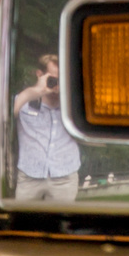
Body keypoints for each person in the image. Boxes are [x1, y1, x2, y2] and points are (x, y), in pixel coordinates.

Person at [15, 52, 81, 201]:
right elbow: (4, 116)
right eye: (53, 79)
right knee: (23, 222)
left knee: (61, 223)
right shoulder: (25, 100)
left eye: (62, 80)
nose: (57, 86)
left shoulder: (73, 106)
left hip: (64, 177)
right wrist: (36, 90)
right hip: (29, 175)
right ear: (40, 74)